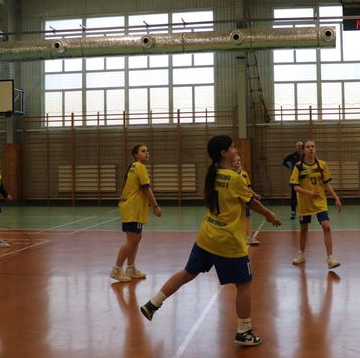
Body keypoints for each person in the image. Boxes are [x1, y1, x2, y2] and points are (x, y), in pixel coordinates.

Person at [140, 135, 281, 347]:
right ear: (223, 153)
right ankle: (243, 331)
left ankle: (153, 303)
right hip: (228, 241)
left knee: (188, 272)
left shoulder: (212, 174)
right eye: (232, 148)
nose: (235, 150)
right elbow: (252, 203)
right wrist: (270, 215)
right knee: (244, 284)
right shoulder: (235, 178)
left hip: (207, 236)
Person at [110, 144, 162, 282]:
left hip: (131, 207)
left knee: (136, 238)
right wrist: (155, 206)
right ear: (135, 155)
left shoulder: (134, 166)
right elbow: (146, 188)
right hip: (133, 208)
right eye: (143, 151)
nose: (146, 153)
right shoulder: (140, 166)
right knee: (132, 240)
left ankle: (131, 268)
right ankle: (116, 269)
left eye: (147, 151)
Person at [290, 140, 342, 269]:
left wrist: (336, 198)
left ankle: (330, 258)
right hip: (304, 203)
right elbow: (295, 187)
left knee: (326, 226)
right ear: (304, 150)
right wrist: (309, 193)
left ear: (315, 149)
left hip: (320, 201)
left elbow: (326, 184)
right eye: (308, 147)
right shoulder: (298, 166)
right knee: (303, 229)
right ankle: (301, 254)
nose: (310, 149)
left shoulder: (322, 165)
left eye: (312, 146)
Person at [233, 154, 262, 245]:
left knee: (247, 218)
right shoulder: (230, 174)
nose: (237, 162)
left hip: (245, 200)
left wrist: (255, 195)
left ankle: (249, 237)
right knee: (235, 219)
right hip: (235, 202)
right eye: (235, 160)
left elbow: (248, 188)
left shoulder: (244, 174)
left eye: (239, 160)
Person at [282, 142, 304, 219]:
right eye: (298, 146)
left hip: (303, 178)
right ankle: (293, 212)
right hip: (294, 178)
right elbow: (283, 161)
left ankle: (303, 212)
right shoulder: (292, 155)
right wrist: (289, 166)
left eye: (301, 146)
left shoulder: (304, 156)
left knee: (303, 195)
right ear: (296, 147)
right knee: (293, 195)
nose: (299, 147)